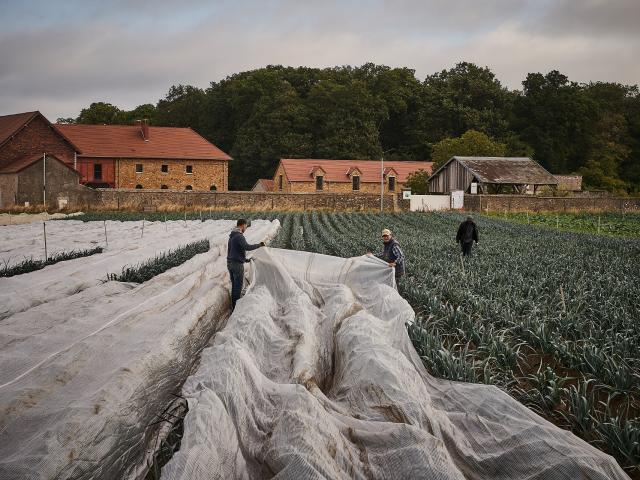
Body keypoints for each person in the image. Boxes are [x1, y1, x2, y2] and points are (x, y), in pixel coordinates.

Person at [227, 219, 265, 310]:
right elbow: (247, 247)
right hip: (237, 265)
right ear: (243, 225)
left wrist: (245, 259)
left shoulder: (232, 236)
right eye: (246, 226)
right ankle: (236, 309)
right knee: (238, 287)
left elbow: (233, 251)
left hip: (229, 263)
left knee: (234, 286)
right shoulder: (239, 236)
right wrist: (259, 245)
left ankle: (233, 306)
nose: (246, 228)